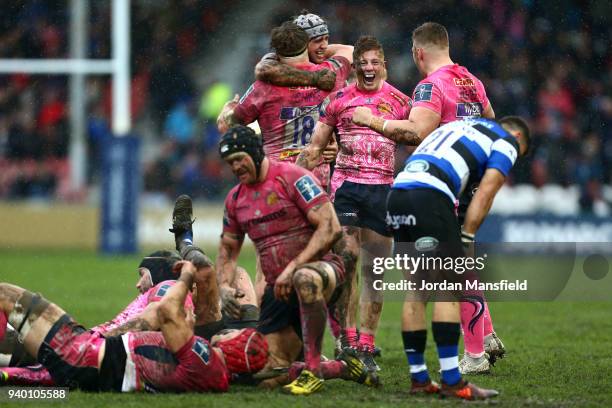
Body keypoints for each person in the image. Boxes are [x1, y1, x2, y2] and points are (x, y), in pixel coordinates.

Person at [351, 22, 504, 373]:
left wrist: (372, 121)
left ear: (419, 53)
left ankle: (476, 355)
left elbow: (416, 132)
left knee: (452, 271)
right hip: (472, 183)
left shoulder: (430, 86)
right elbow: (492, 123)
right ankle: (488, 335)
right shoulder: (473, 82)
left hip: (445, 187)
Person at [216, 125, 377, 395]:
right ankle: (343, 367)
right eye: (230, 163)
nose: (235, 167)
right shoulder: (235, 200)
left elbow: (330, 227)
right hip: (278, 290)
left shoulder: (293, 178)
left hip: (323, 272)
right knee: (266, 373)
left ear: (256, 153)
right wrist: (223, 287)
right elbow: (228, 250)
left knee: (305, 278)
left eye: (240, 159)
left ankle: (314, 372)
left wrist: (293, 267)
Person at [384, 116, 530, 399]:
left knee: (417, 290)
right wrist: (467, 237)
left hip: (399, 191)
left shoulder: (460, 125)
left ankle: (419, 379)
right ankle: (451, 380)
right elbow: (486, 192)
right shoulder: (506, 139)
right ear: (518, 137)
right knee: (451, 288)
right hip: (430, 196)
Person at [296, 35, 412, 371]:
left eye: (375, 62)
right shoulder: (339, 100)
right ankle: (346, 339)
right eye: (362, 63)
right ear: (356, 66)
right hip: (346, 188)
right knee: (346, 261)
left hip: (382, 190)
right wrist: (299, 166)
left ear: (384, 66)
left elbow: (415, 138)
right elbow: (316, 144)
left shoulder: (401, 102)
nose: (368, 68)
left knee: (375, 271)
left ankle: (367, 343)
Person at [0, 259, 268, 392]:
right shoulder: (215, 376)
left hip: (83, 353)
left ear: (234, 346)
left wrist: (186, 277)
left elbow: (165, 312)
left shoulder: (205, 359)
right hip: (89, 367)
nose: (228, 330)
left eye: (234, 333)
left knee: (7, 296)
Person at [217, 21, 351, 191]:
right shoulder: (330, 74)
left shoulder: (263, 88)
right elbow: (349, 51)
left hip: (276, 178)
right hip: (315, 177)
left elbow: (228, 125)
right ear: (306, 46)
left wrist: (228, 108)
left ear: (277, 53)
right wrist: (320, 50)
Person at [254, 10, 354, 92]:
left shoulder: (329, 55)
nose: (324, 45)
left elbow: (351, 50)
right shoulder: (277, 60)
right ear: (302, 43)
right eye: (317, 41)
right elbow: (263, 70)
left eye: (326, 38)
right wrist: (315, 78)